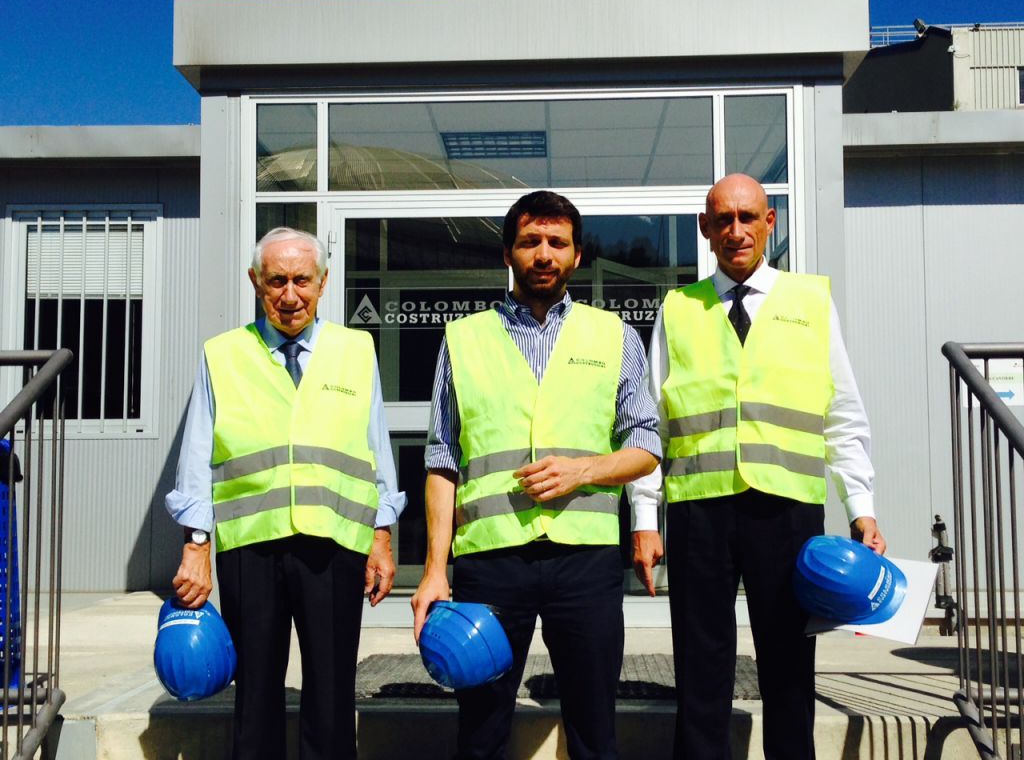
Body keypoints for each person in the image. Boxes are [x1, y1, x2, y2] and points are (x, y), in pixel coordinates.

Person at [629, 173, 885, 760]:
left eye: (748, 217)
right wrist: (645, 517)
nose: (736, 230)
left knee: (790, 666)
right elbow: (651, 424)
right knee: (700, 666)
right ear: (705, 228)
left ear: (770, 222)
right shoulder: (678, 309)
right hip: (700, 512)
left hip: (787, 510)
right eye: (723, 219)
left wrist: (861, 508)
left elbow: (842, 414)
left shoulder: (811, 302)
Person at [411, 190, 661, 760]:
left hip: (585, 561)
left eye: (557, 243)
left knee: (595, 729)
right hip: (491, 561)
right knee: (481, 730)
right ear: (508, 253)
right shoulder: (462, 339)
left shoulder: (615, 336)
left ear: (577, 255)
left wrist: (584, 470)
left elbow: (646, 444)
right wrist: (433, 571)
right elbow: (441, 460)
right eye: (530, 242)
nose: (544, 254)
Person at [165, 226, 406, 760]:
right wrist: (196, 544)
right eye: (277, 281)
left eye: (302, 280)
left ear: (323, 282)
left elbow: (376, 446)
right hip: (251, 545)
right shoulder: (222, 354)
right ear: (256, 282)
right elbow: (196, 455)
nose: (290, 295)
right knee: (254, 692)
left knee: (332, 689)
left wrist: (382, 534)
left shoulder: (356, 350)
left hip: (335, 545)